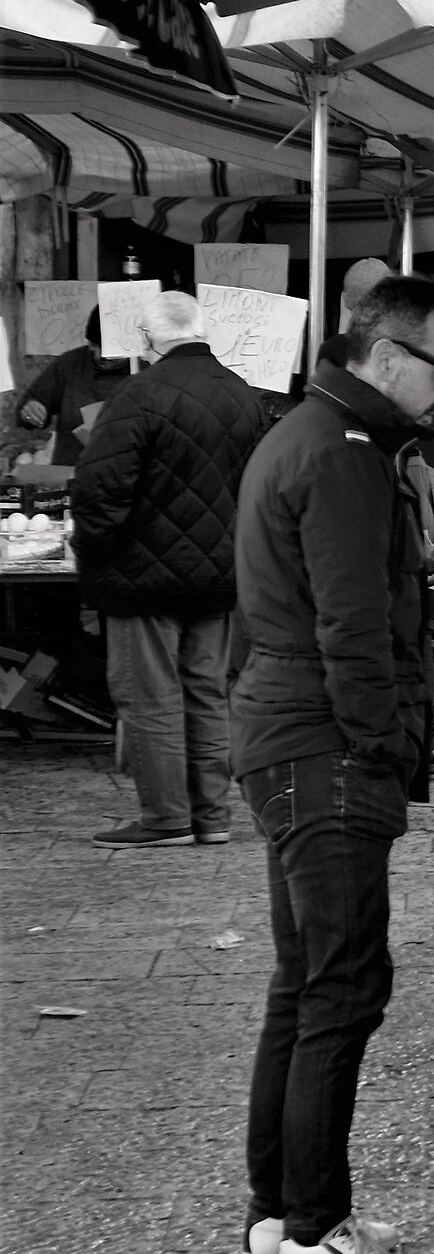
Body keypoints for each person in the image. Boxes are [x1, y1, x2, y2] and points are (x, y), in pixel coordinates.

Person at [232, 273, 434, 1254]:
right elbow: (353, 624)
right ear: (386, 355)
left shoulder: (316, 433)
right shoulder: (344, 454)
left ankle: (279, 1215)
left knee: (306, 984)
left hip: (289, 733)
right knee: (342, 989)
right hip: (320, 744)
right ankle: (315, 1240)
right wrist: (382, 746)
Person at [72, 291, 269, 848]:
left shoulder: (138, 394)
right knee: (207, 692)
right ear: (201, 331)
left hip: (143, 577)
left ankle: (166, 818)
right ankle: (212, 817)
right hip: (220, 573)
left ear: (146, 339)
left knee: (150, 696)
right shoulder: (242, 393)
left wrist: (94, 557)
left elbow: (99, 490)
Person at [15, 307, 134, 471]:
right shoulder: (71, 364)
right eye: (94, 345)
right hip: (71, 472)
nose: (98, 355)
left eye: (108, 350)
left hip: (125, 473)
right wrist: (30, 411)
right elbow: (27, 408)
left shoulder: (145, 371)